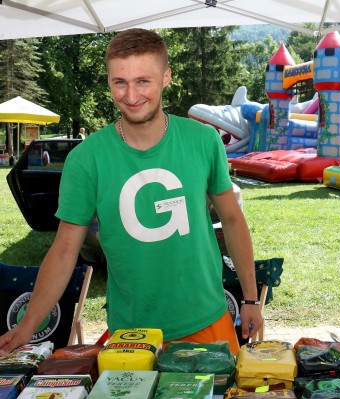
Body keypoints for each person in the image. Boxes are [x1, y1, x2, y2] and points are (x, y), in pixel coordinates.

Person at [0, 28, 262, 356]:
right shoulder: (86, 158)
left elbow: (234, 220)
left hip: (207, 321)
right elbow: (65, 249)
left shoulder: (203, 141)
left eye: (143, 81)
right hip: (132, 333)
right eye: (119, 82)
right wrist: (28, 325)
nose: (131, 95)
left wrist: (250, 299)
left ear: (166, 77)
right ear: (108, 81)